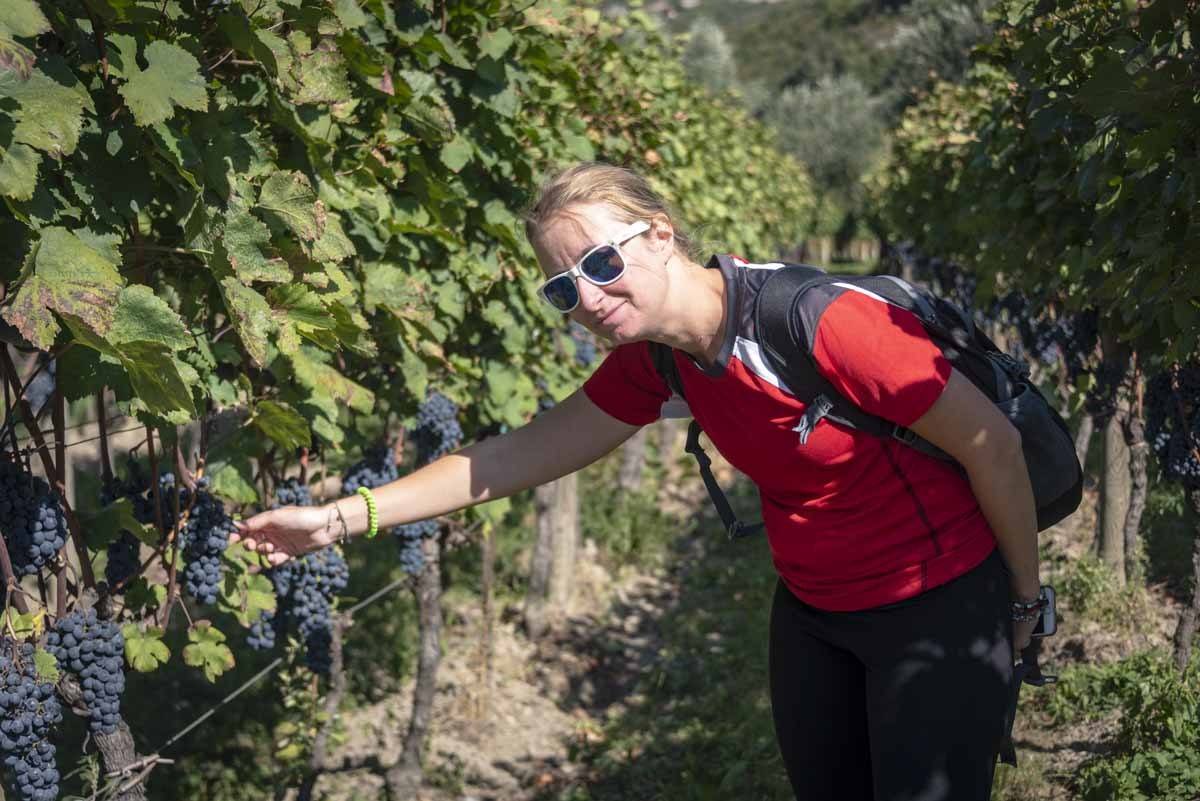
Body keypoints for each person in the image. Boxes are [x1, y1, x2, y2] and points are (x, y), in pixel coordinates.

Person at [231, 161, 1041, 801]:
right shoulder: (659, 359)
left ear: (660, 234)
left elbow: (993, 446)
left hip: (933, 603)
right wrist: (338, 518)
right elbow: (510, 457)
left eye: (600, 261)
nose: (585, 295)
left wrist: (1024, 601)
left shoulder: (820, 321)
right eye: (561, 286)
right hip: (813, 616)